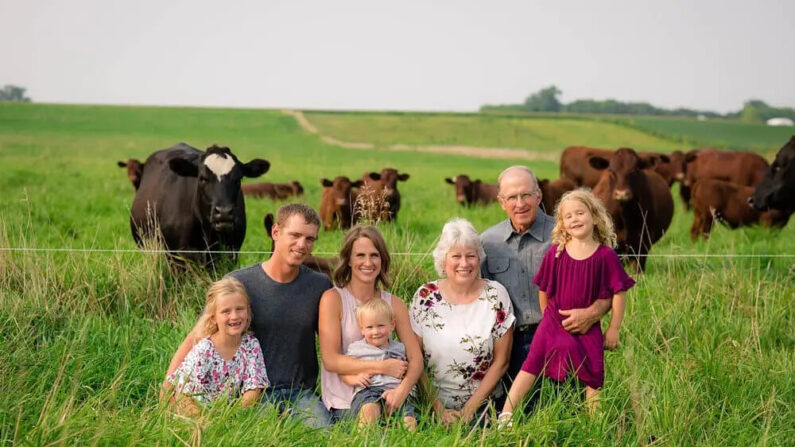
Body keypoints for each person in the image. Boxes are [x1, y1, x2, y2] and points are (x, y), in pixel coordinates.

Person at [164, 203, 333, 427]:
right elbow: (199, 334)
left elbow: (335, 343)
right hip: (251, 394)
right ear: (275, 232)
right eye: (295, 235)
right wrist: (168, 387)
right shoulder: (240, 282)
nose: (302, 245)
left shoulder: (319, 285)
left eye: (310, 239)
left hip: (301, 393)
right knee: (253, 437)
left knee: (325, 435)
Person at [499, 189, 635, 425]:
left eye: (580, 213)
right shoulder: (557, 253)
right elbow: (543, 288)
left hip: (588, 326)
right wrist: (547, 319)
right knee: (531, 366)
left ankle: (596, 425)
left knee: (593, 373)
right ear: (562, 224)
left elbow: (619, 292)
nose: (575, 219)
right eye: (568, 216)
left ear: (594, 216)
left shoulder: (606, 256)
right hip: (553, 322)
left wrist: (614, 328)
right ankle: (506, 416)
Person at [481, 166, 613, 381]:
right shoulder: (487, 242)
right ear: (501, 202)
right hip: (508, 346)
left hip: (564, 337)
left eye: (526, 195)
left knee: (566, 408)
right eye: (512, 197)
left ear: (539, 195)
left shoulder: (567, 236)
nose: (520, 203)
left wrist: (591, 313)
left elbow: (609, 289)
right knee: (517, 410)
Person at [410, 218, 515, 426]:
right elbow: (414, 357)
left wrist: (468, 411)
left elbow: (502, 362)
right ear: (443, 260)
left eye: (470, 256)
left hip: (484, 406)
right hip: (430, 405)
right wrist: (438, 409)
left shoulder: (495, 295)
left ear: (479, 258)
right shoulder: (425, 296)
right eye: (456, 256)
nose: (464, 263)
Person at [318, 225, 422, 424]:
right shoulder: (333, 299)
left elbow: (415, 358)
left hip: (390, 394)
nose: (368, 262)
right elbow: (330, 360)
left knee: (409, 427)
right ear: (348, 260)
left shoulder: (395, 304)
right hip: (346, 401)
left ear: (382, 259)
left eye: (374, 255)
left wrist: (402, 391)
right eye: (360, 255)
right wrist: (382, 367)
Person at [163, 277, 269, 415]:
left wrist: (231, 415)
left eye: (240, 309)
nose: (234, 316)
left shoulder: (250, 345)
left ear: (248, 312)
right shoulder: (204, 350)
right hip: (195, 414)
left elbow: (254, 388)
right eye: (226, 312)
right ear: (213, 318)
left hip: (229, 414)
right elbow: (184, 396)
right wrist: (204, 421)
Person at [343, 298, 418, 430]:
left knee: (409, 421)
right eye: (370, 327)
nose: (375, 331)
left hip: (396, 391)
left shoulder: (399, 348)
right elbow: (344, 372)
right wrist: (355, 378)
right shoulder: (356, 349)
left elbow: (406, 371)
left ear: (392, 325)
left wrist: (403, 391)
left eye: (380, 326)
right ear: (362, 329)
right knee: (368, 410)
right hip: (369, 390)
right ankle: (364, 441)